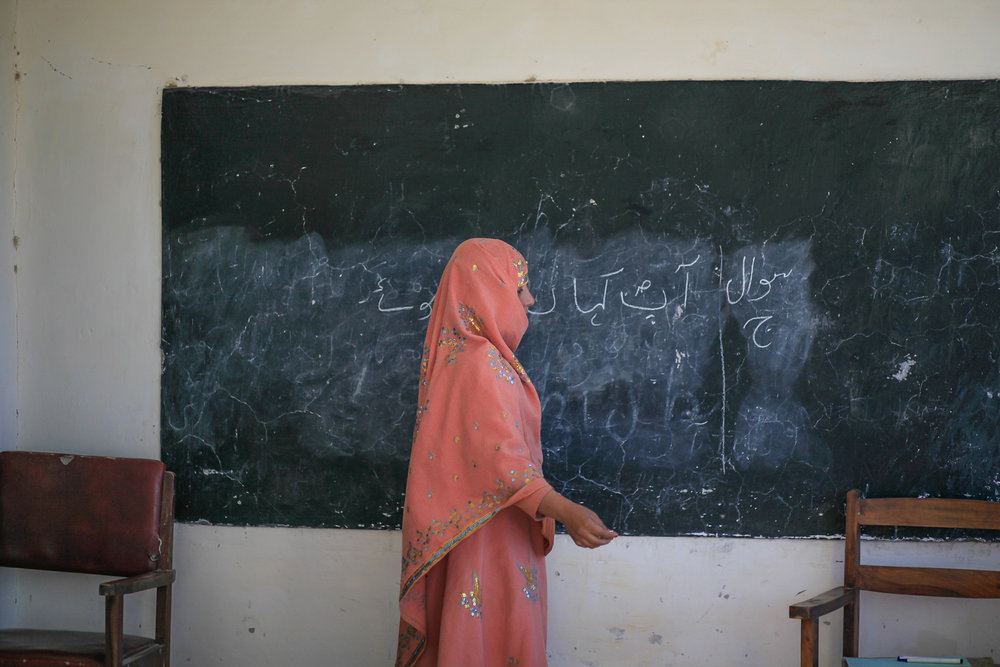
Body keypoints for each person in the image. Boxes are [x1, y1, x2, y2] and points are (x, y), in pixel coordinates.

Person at [395, 238, 617, 667]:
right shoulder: (484, 364)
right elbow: (504, 465)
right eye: (519, 287)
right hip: (491, 542)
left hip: (466, 535)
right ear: (488, 291)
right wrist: (568, 512)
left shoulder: (456, 361)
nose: (530, 299)